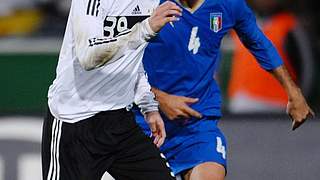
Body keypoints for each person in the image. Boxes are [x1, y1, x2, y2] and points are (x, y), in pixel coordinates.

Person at [134, 0, 315, 180]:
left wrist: (294, 92)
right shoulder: (144, 5)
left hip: (196, 126)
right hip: (144, 125)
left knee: (211, 174)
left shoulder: (228, 5)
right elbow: (112, 66)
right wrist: (158, 98)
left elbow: (259, 43)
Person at [42, 0, 182, 180]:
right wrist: (146, 28)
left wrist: (148, 104)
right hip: (75, 121)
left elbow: (132, 54)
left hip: (120, 120)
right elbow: (88, 56)